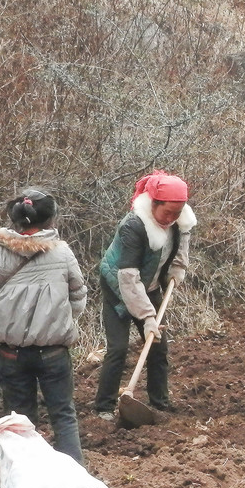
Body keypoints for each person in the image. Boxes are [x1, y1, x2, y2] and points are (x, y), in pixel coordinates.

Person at [0, 189, 87, 461]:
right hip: (53, 353)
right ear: (52, 219)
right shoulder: (63, 254)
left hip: (10, 353)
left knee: (20, 421)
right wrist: (63, 317)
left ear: (14, 218)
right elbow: (78, 294)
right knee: (63, 414)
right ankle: (74, 477)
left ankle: (26, 481)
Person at [95, 170, 196, 418]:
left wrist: (177, 270)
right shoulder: (133, 226)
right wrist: (148, 317)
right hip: (119, 288)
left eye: (177, 212)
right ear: (153, 203)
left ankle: (159, 402)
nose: (172, 218)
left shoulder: (179, 221)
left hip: (149, 287)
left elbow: (181, 248)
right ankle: (104, 407)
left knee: (158, 348)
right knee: (118, 349)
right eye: (167, 212)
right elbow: (128, 277)